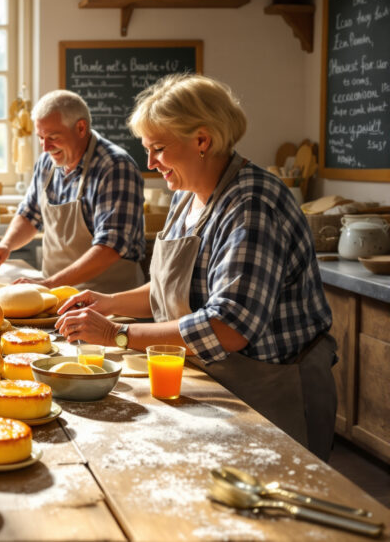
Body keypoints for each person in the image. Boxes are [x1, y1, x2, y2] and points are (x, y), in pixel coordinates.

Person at [54, 74, 336, 459]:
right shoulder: (187, 195)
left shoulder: (251, 205)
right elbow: (174, 288)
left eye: (158, 149)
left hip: (271, 387)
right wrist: (109, 302)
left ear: (202, 140)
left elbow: (228, 327)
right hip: (213, 379)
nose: (150, 163)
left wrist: (117, 334)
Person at [0, 90, 146, 292]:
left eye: (53, 137)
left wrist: (49, 284)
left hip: (107, 295)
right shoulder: (46, 162)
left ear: (81, 128)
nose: (45, 147)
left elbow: (110, 247)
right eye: (41, 137)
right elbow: (30, 215)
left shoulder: (115, 167)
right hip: (56, 290)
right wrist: (6, 245)